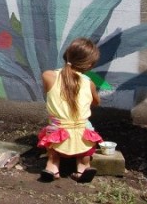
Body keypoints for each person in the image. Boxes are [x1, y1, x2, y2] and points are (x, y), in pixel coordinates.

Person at [37, 37, 103, 183]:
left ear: (67, 54)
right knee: (87, 126)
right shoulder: (89, 82)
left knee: (52, 130)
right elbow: (96, 102)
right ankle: (83, 167)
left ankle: (52, 167)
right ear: (89, 65)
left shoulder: (48, 76)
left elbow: (47, 93)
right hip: (81, 136)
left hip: (59, 135)